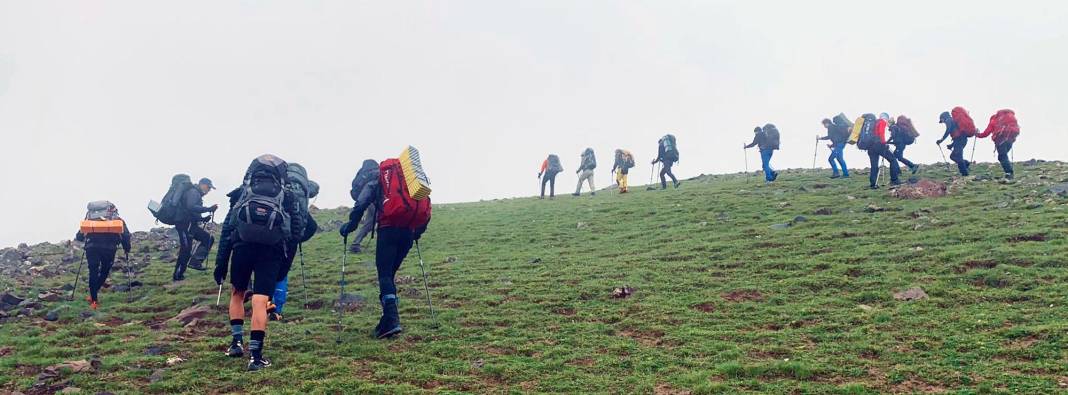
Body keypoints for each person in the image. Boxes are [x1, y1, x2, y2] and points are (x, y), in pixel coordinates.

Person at [214, 154, 304, 371]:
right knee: (260, 301)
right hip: (271, 252)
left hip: (242, 248)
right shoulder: (288, 196)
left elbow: (227, 229)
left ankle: (236, 343)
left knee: (237, 293)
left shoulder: (242, 193)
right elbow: (296, 230)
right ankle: (255, 357)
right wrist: (285, 263)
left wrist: (221, 263)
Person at [339, 157, 431, 339]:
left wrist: (350, 225)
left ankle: (391, 319)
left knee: (385, 275)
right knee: (390, 275)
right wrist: (416, 233)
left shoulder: (378, 179)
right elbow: (425, 208)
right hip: (407, 233)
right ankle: (387, 318)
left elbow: (362, 202)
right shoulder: (408, 182)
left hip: (388, 230)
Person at [269, 163, 318, 321]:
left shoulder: (277, 186)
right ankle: (278, 309)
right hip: (290, 241)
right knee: (282, 274)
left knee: (267, 271)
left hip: (272, 237)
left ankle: (265, 305)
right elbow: (312, 227)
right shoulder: (302, 195)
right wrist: (298, 238)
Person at [75, 202, 131, 310]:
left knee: (93, 271)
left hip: (92, 247)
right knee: (105, 270)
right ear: (113, 210)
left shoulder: (90, 218)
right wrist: (127, 248)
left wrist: (81, 239)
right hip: (109, 248)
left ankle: (94, 300)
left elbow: (79, 235)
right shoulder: (117, 219)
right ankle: (93, 295)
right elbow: (125, 235)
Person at [173, 177, 217, 281]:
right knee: (186, 249)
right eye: (208, 187)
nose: (208, 190)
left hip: (190, 225)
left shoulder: (195, 193)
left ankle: (195, 262)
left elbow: (192, 211)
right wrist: (208, 209)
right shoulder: (193, 192)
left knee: (208, 239)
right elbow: (191, 207)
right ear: (202, 184)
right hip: (184, 224)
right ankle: (178, 275)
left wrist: (203, 218)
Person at [977, 109, 1021, 179]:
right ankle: (1009, 172)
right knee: (1003, 156)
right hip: (1010, 139)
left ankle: (1009, 173)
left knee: (1002, 156)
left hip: (1000, 139)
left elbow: (986, 133)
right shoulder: (1009, 118)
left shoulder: (993, 120)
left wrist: (977, 134)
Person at [349, 160, 379, 253]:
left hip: (366, 200)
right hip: (372, 200)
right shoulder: (377, 173)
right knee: (379, 219)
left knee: (369, 223)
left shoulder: (363, 175)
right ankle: (386, 243)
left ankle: (355, 244)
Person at [865, 114, 902, 189]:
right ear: (886, 118)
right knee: (893, 160)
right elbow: (881, 133)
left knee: (874, 166)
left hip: (870, 147)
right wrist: (884, 143)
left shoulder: (873, 123)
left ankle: (873, 184)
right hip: (879, 145)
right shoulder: (882, 122)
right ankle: (894, 180)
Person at [937, 110, 971, 176]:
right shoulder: (953, 120)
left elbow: (948, 130)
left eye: (942, 120)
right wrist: (951, 145)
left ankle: (965, 173)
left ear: (943, 117)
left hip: (959, 140)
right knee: (953, 156)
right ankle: (966, 163)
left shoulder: (948, 120)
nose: (943, 122)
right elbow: (957, 134)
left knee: (958, 156)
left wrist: (941, 140)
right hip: (961, 140)